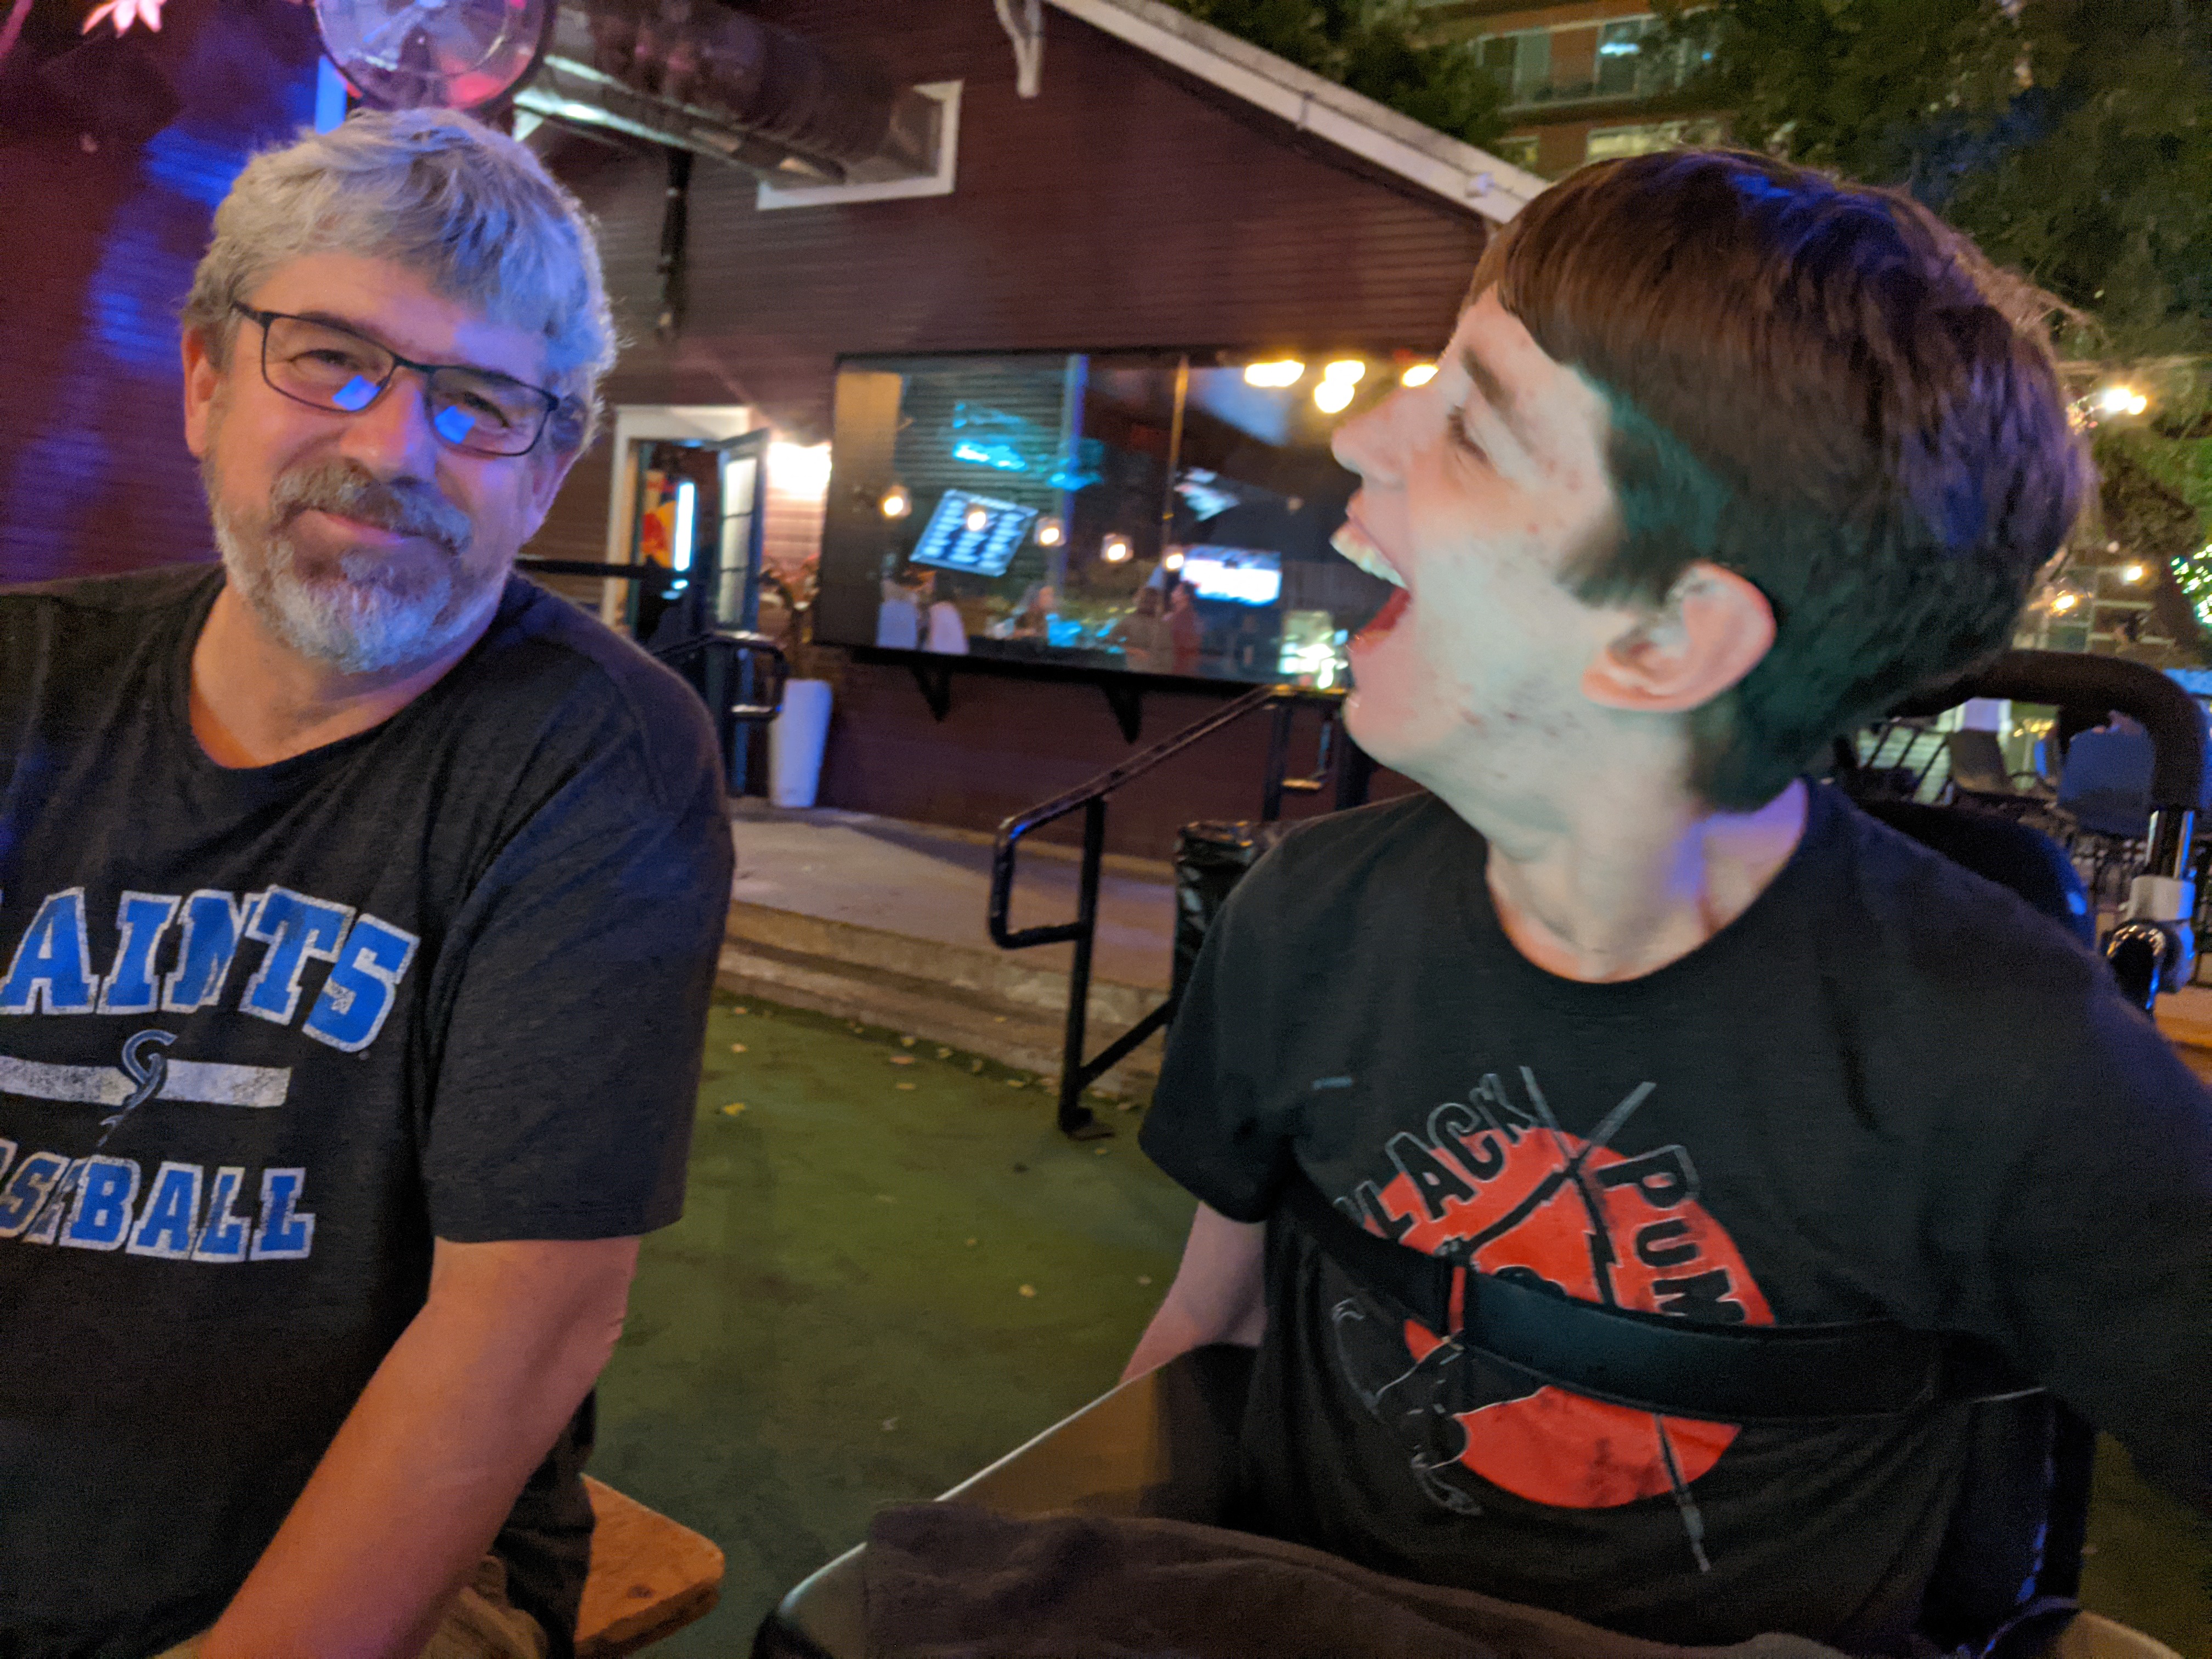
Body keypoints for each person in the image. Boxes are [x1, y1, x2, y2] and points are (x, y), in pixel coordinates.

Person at [1127, 150, 2212, 1653]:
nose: (1361, 435)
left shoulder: (2005, 1057)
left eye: (1476, 426)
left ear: (1663, 641)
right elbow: (1205, 1333)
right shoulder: (1304, 916)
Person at [0, 110, 733, 1658]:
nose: (394, 447)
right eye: (330, 358)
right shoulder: (23, 681)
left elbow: (527, 1319)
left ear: (548, 472)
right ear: (205, 378)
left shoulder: (597, 757)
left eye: (479, 404)